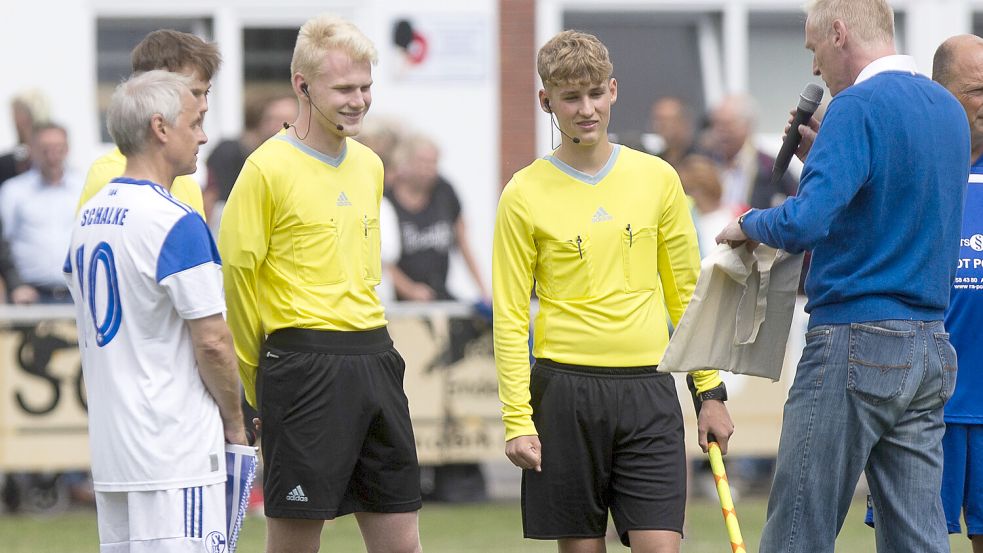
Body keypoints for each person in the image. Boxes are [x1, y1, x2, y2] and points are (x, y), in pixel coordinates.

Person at [715, 1, 969, 551]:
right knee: (918, 537)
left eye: (813, 49)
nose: (814, 67)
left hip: (855, 337)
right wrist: (825, 157)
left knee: (798, 529)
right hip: (930, 343)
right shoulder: (948, 110)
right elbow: (891, 201)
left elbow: (806, 222)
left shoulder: (855, 107)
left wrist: (749, 224)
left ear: (838, 32)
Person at [492, 30, 733, 552]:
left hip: (648, 391)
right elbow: (510, 315)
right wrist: (517, 418)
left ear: (614, 90)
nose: (586, 109)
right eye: (571, 97)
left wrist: (709, 393)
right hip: (563, 394)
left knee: (660, 546)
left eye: (596, 93)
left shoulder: (659, 178)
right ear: (546, 101)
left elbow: (688, 296)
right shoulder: (523, 193)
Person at [218, 14, 422, 553]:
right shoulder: (265, 170)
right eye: (344, 88)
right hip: (301, 364)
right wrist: (253, 381)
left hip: (376, 357)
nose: (359, 100)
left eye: (366, 87)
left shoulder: (371, 165)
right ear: (302, 86)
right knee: (295, 543)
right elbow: (237, 283)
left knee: (402, 540)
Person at [65, 70, 246, 552]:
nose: (203, 136)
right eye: (195, 122)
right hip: (175, 451)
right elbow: (212, 339)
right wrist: (234, 420)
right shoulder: (175, 220)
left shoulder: (88, 215)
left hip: (114, 450)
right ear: (161, 128)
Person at [78, 29, 220, 218]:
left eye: (206, 93)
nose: (203, 106)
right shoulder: (113, 176)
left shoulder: (188, 181)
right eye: (192, 93)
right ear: (152, 90)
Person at [387, 134, 488, 303]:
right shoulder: (386, 199)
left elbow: (463, 243)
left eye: (433, 163)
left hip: (438, 293)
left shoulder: (444, 191)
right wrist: (409, 289)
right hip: (399, 302)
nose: (428, 169)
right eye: (422, 162)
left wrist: (483, 291)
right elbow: (379, 260)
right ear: (405, 162)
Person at [0, 123, 83, 304]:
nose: (52, 155)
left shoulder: (83, 187)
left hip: (79, 293)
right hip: (30, 295)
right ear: (33, 150)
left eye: (58, 148)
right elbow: (3, 242)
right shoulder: (13, 190)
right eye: (45, 149)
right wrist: (15, 284)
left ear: (67, 149)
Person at [204, 92, 297, 223]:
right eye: (271, 119)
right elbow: (213, 203)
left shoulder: (305, 164)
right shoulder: (229, 152)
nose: (278, 126)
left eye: (286, 121)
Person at [705, 94, 798, 211]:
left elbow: (797, 203)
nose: (721, 132)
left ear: (747, 126)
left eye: (728, 125)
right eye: (716, 124)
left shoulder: (771, 167)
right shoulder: (702, 162)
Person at [649, 97, 697, 168]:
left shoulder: (700, 159)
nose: (663, 127)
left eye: (670, 121)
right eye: (659, 121)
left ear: (685, 123)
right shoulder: (647, 159)